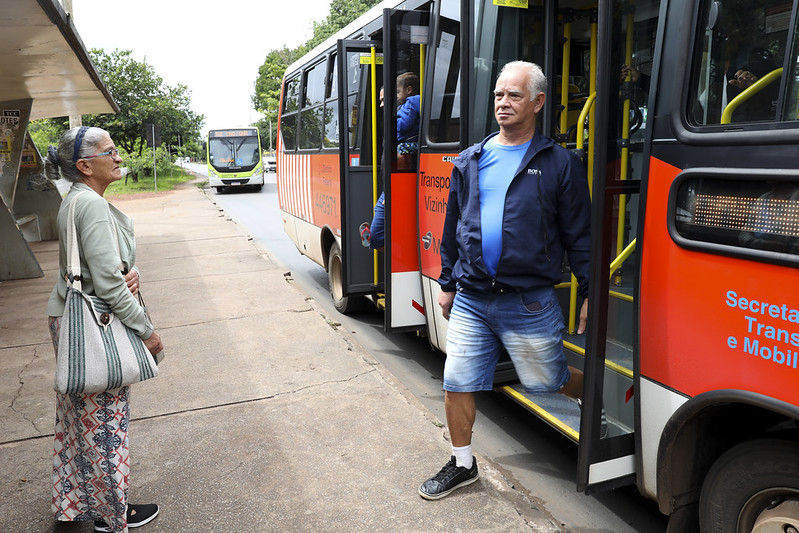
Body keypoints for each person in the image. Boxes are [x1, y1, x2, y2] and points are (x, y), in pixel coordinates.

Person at [418, 61, 591, 500]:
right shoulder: (471, 159)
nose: (503, 103)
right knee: (456, 381)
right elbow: (453, 226)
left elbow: (579, 234)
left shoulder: (560, 163)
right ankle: (463, 463)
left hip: (528, 301)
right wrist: (447, 282)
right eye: (498, 94)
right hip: (472, 297)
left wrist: (590, 290)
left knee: (548, 381)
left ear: (537, 102)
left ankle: (594, 397)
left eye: (514, 95)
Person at [44, 126, 163, 532]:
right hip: (93, 321)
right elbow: (110, 286)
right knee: (106, 425)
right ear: (84, 165)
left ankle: (72, 504)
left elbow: (102, 267)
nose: (118, 157)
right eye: (109, 152)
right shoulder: (91, 204)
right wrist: (147, 332)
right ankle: (113, 514)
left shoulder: (74, 200)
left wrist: (131, 270)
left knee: (77, 422)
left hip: (68, 315)